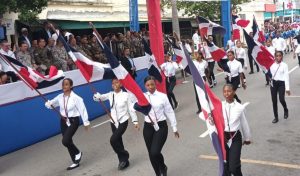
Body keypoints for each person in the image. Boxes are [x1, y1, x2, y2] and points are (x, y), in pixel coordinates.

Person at [93, 78, 139, 170]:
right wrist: (96, 96)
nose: (114, 84)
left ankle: (125, 155)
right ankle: (123, 161)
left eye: (116, 82)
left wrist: (135, 121)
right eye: (113, 83)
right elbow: (99, 99)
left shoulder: (126, 95)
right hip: (113, 121)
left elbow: (131, 109)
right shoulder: (110, 94)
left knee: (113, 140)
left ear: (121, 84)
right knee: (118, 141)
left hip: (123, 120)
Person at [45, 78, 90, 170]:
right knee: (69, 141)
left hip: (74, 121)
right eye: (63, 84)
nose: (64, 86)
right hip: (63, 121)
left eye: (66, 84)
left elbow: (83, 110)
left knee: (65, 141)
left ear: (71, 86)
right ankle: (75, 162)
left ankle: (78, 153)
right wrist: (48, 104)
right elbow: (52, 104)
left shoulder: (76, 98)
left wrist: (86, 122)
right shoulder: (60, 97)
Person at [143, 76, 179, 176]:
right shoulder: (142, 97)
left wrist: (174, 127)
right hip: (148, 127)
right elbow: (133, 105)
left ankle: (162, 166)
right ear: (145, 86)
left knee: (155, 152)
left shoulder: (162, 96)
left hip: (161, 126)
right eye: (148, 85)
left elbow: (169, 112)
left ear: (155, 84)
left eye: (152, 84)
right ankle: (158, 173)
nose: (150, 87)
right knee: (151, 153)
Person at [222, 84, 251, 176]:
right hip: (223, 139)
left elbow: (244, 123)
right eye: (225, 91)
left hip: (235, 138)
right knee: (226, 166)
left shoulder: (239, 107)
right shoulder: (220, 106)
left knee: (234, 167)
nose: (226, 94)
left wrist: (247, 138)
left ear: (234, 92)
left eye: (229, 91)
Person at [269, 51, 290, 124]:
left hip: (281, 83)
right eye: (277, 56)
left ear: (282, 56)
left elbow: (286, 77)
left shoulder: (285, 65)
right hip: (273, 83)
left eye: (280, 56)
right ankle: (276, 117)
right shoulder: (271, 65)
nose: (278, 57)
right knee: (274, 101)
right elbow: (269, 74)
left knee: (281, 99)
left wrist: (287, 88)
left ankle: (285, 109)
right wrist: (269, 78)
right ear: (274, 57)